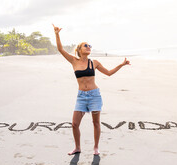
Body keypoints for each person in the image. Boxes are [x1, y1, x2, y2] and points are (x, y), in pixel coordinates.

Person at [52, 24, 130, 156]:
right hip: (81, 96)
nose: (89, 47)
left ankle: (95, 147)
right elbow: (60, 49)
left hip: (94, 95)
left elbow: (109, 73)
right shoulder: (74, 61)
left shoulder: (94, 63)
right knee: (74, 124)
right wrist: (57, 34)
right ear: (79, 49)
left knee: (95, 123)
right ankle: (77, 147)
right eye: (86, 46)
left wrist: (121, 65)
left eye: (90, 46)